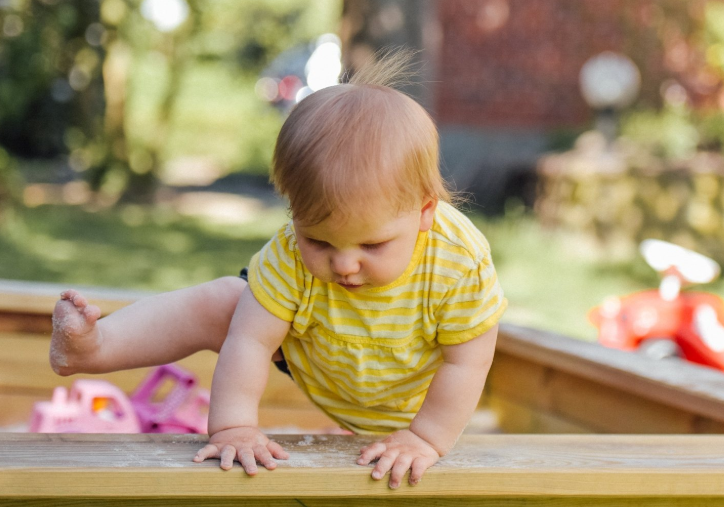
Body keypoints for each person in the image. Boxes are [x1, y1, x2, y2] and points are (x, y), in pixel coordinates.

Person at [49, 51, 507, 489]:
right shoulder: (288, 254)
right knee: (226, 302)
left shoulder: (456, 261)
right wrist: (233, 427)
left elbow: (468, 361)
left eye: (373, 244)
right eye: (319, 241)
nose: (344, 264)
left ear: (425, 212)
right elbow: (250, 341)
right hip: (320, 352)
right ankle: (94, 347)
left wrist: (425, 437)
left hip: (415, 394)